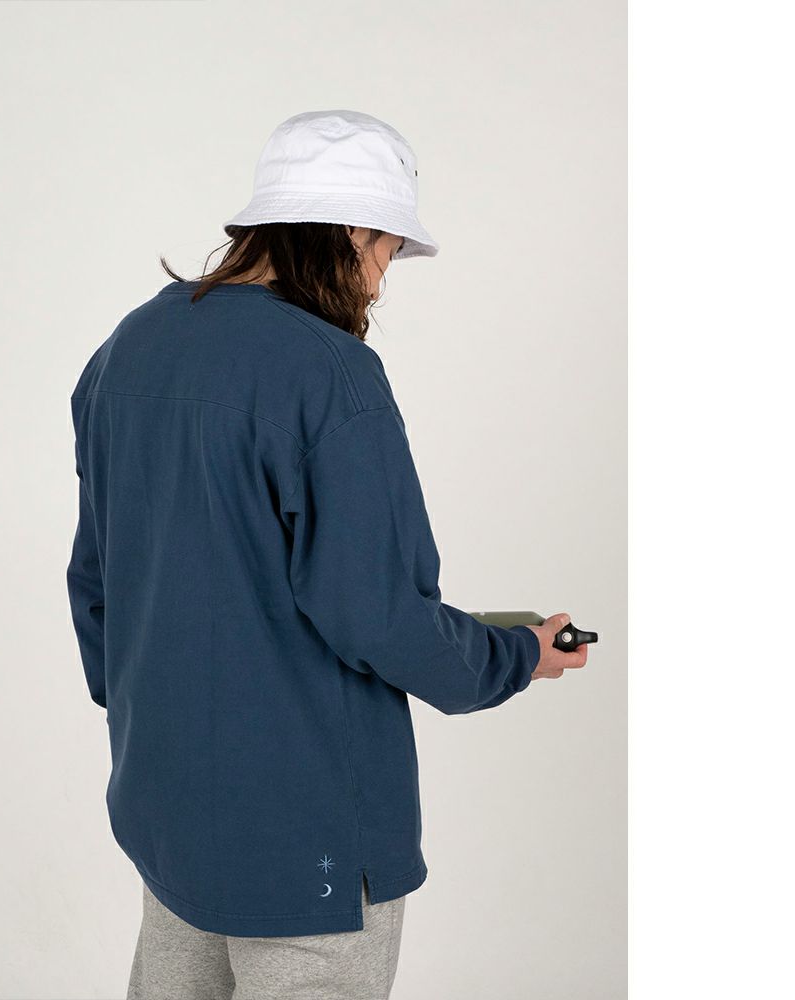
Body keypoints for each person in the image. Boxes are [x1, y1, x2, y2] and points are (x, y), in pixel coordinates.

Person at [66, 109, 589, 1000]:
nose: (381, 283)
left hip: (168, 814)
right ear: (350, 232)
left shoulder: (128, 349)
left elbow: (97, 586)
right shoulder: (328, 371)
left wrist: (165, 723)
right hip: (308, 836)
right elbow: (379, 616)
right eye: (387, 251)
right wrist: (514, 654)